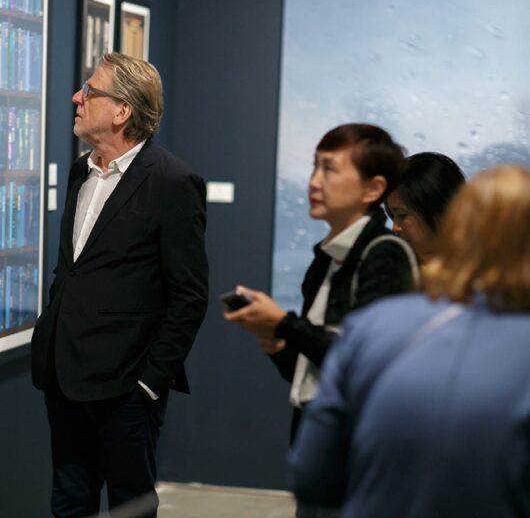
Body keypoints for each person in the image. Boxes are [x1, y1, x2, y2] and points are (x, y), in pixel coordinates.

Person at [289, 165, 530, 517]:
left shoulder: (371, 326)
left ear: (453, 221)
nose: (395, 227)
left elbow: (311, 474)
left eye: (402, 215)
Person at [31, 52, 209, 517]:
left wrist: (151, 381)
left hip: (127, 388)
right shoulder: (80, 172)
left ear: (122, 111)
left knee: (129, 507)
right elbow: (71, 271)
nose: (77, 97)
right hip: (64, 375)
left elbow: (189, 294)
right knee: (70, 501)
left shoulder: (172, 182)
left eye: (90, 91)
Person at [223, 123, 417, 517]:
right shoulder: (325, 259)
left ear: (372, 189)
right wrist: (273, 340)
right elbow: (313, 372)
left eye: (329, 169)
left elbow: (361, 361)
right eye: (314, 167)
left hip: (359, 453)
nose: (313, 181)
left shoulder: (384, 253)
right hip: (319, 442)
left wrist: (284, 324)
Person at [385, 151, 465, 265]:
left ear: (439, 208)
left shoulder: (487, 271)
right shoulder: (390, 270)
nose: (395, 228)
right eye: (392, 216)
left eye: (402, 215)